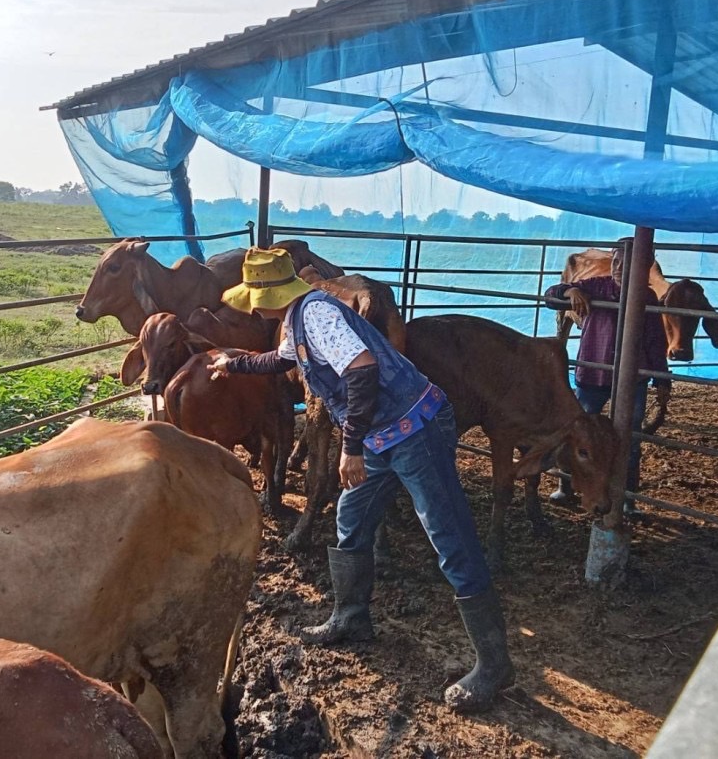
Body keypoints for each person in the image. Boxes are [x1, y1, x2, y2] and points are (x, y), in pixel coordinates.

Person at [208, 247, 514, 714]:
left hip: (414, 429)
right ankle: (351, 616)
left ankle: (494, 665)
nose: (249, 307)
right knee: (351, 520)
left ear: (268, 294)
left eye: (252, 297)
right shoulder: (296, 319)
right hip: (381, 435)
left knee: (447, 533)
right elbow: (281, 359)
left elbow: (362, 371)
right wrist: (234, 364)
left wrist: (349, 448)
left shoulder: (318, 315)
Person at [544, 239, 671, 506]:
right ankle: (566, 485)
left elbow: (655, 342)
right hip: (593, 374)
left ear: (646, 266)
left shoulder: (647, 298)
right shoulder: (595, 287)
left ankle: (627, 498)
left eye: (628, 264)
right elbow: (550, 295)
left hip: (632, 379)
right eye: (615, 262)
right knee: (577, 431)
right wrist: (570, 293)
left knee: (630, 438)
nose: (619, 268)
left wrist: (661, 378)